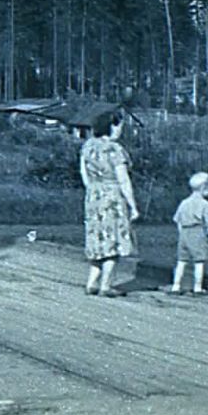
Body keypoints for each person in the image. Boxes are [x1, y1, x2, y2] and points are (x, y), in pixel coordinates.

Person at [79, 109, 138, 297]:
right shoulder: (114, 149)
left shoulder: (88, 146)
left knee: (97, 240)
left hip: (93, 195)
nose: (120, 130)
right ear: (112, 126)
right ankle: (106, 285)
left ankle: (91, 283)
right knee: (113, 242)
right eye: (119, 126)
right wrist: (132, 205)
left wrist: (94, 189)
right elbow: (123, 180)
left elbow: (83, 173)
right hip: (112, 195)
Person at [169, 171, 208, 296]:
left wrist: (182, 234)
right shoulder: (205, 205)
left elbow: (178, 221)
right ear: (204, 188)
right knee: (199, 262)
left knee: (181, 261)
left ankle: (176, 286)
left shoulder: (184, 203)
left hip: (184, 233)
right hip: (197, 232)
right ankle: (197, 288)